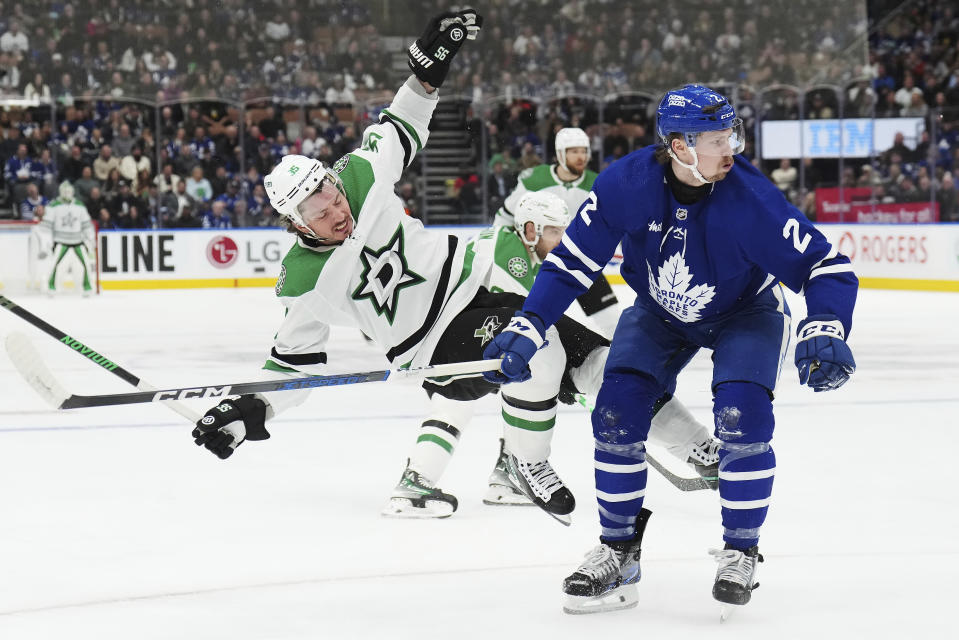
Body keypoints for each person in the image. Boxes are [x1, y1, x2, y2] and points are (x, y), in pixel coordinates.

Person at [187, 10, 583, 523]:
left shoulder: (360, 175)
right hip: (430, 341)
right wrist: (245, 412)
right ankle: (479, 471)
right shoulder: (306, 280)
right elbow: (292, 365)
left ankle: (492, 466)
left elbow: (401, 124)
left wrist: (426, 71)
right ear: (294, 223)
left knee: (555, 358)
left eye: (328, 193)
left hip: (469, 292)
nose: (333, 210)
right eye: (315, 210)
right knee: (492, 377)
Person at [483, 85, 858, 615]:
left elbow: (827, 267)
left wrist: (826, 324)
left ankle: (741, 550)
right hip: (660, 312)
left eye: (732, 134)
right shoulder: (626, 185)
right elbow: (571, 263)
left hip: (744, 313)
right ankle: (619, 551)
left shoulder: (751, 200)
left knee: (742, 416)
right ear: (679, 147)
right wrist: (530, 323)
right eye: (716, 139)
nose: (731, 148)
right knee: (614, 411)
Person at [383, 190, 719, 518]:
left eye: (564, 230)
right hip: (457, 340)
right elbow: (522, 326)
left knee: (521, 391)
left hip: (473, 342)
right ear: (531, 230)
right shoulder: (506, 252)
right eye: (555, 232)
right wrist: (561, 371)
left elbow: (594, 306)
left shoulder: (542, 256)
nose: (562, 239)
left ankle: (495, 476)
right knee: (467, 401)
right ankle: (422, 482)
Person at [492, 127, 622, 340]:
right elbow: (506, 216)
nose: (581, 157)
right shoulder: (534, 180)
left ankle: (624, 362)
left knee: (612, 322)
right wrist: (500, 244)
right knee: (525, 320)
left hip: (580, 261)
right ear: (560, 154)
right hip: (537, 261)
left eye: (584, 151)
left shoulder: (597, 184)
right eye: (573, 151)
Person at [38, 181, 95, 295]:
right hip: (60, 241)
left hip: (78, 241)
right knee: (55, 265)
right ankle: (51, 287)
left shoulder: (79, 205)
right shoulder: (53, 206)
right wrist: (46, 243)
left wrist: (91, 239)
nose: (67, 193)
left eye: (69, 191)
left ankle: (87, 287)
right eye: (65, 191)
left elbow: (87, 225)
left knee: (85, 265)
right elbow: (46, 226)